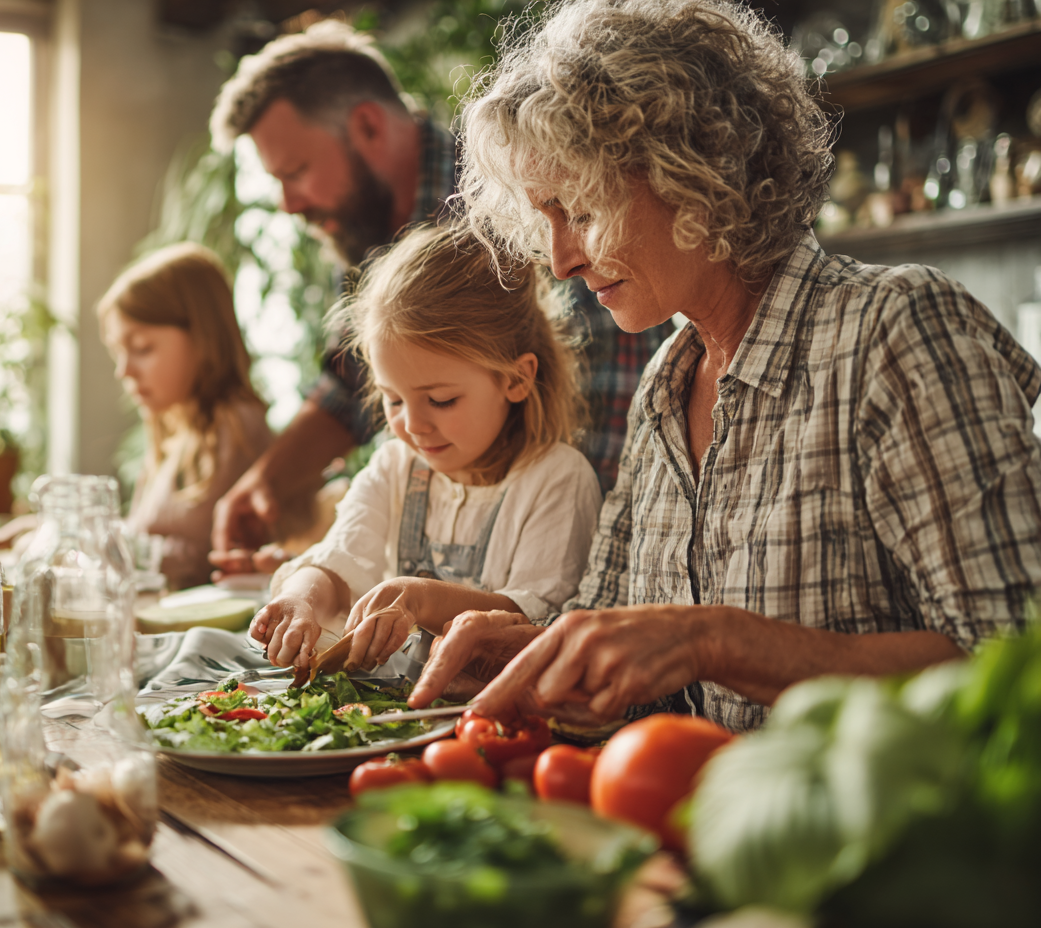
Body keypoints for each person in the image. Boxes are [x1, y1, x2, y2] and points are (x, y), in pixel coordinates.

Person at [408, 0, 1041, 731]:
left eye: (579, 208)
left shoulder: (894, 331)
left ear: (695, 172)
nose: (559, 259)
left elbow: (1012, 658)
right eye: (543, 217)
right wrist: (533, 655)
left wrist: (717, 640)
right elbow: (623, 646)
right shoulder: (666, 383)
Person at [206, 20, 671, 577]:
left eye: (296, 171)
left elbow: (604, 387)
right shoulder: (362, 228)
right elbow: (351, 383)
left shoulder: (512, 192)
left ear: (367, 126)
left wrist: (570, 557)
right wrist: (268, 483)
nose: (286, 203)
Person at [253, 223, 602, 672]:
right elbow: (338, 564)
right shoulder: (395, 466)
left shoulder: (557, 479)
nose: (412, 425)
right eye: (393, 399)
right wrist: (299, 599)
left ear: (516, 379)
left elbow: (536, 621)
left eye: (440, 400)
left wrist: (421, 598)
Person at [99, 243, 273, 590]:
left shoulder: (235, 426)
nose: (124, 370)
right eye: (119, 352)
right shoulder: (172, 430)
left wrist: (83, 546)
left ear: (202, 337)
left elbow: (196, 559)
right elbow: (142, 536)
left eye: (142, 348)